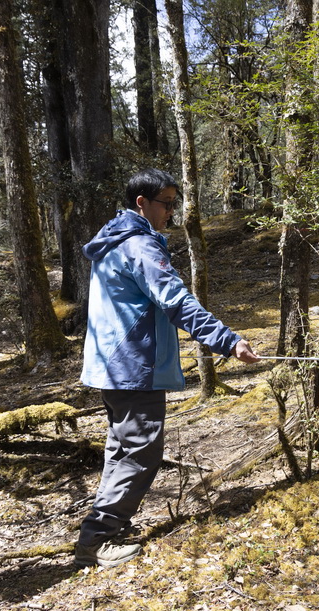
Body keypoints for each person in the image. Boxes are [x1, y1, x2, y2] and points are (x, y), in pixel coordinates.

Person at [76, 168, 260, 568]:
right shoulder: (139, 246)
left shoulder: (116, 240)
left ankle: (105, 529)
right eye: (167, 204)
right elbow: (175, 301)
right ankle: (98, 540)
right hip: (132, 365)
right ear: (142, 203)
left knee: (122, 448)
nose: (172, 213)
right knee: (141, 452)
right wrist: (227, 341)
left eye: (175, 204)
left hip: (114, 364)